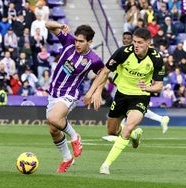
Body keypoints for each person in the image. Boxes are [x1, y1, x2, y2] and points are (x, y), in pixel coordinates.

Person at [83, 28, 165, 175]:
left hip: (141, 97)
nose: (136, 45)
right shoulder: (123, 52)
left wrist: (149, 88)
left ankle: (105, 165)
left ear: (148, 43)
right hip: (121, 95)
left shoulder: (156, 58)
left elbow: (159, 85)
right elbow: (105, 72)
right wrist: (92, 92)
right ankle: (135, 135)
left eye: (140, 43)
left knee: (127, 128)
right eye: (134, 42)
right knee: (112, 131)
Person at [45, 21, 104, 173]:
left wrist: (94, 92)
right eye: (76, 40)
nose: (77, 43)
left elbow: (103, 73)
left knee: (53, 119)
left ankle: (74, 136)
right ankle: (67, 158)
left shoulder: (93, 59)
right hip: (53, 93)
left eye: (81, 41)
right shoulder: (68, 41)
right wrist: (60, 25)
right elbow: (47, 25)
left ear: (90, 42)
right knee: (53, 129)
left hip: (69, 93)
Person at [119, 31, 170, 134]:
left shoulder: (147, 54)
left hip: (137, 85)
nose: (126, 40)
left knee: (130, 110)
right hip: (127, 85)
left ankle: (124, 134)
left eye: (128, 39)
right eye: (125, 38)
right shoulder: (124, 52)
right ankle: (161, 119)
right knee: (135, 110)